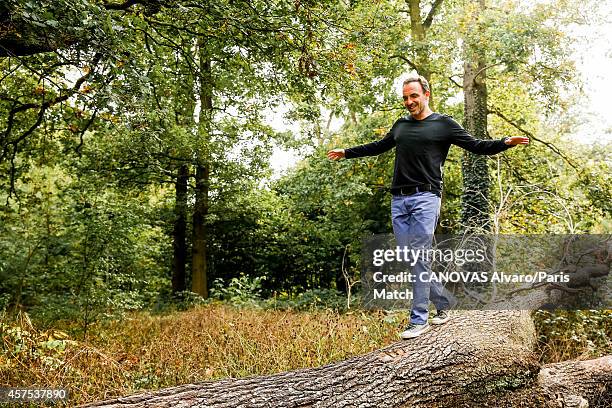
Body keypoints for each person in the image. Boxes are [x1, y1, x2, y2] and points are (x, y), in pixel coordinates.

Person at [327, 75, 529, 339]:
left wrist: (504, 142)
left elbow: (476, 146)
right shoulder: (400, 125)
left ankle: (418, 320)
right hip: (399, 200)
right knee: (409, 258)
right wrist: (347, 152)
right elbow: (379, 146)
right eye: (405, 98)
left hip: (426, 198)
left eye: (414, 96)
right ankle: (444, 303)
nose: (409, 102)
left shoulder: (444, 124)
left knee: (420, 258)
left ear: (426, 94)